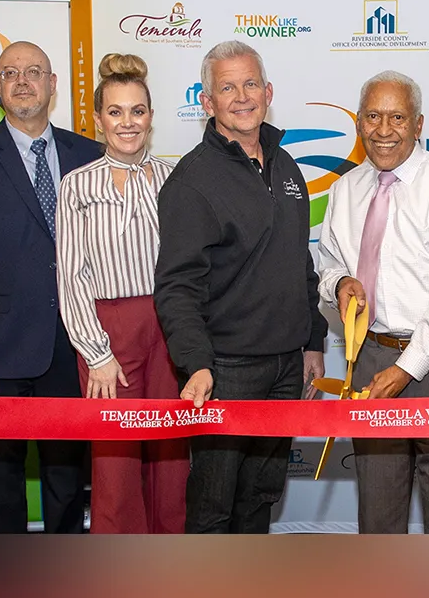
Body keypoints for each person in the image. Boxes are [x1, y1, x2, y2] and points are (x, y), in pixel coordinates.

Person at [154, 40, 327, 534]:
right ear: (207, 102)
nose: (242, 96)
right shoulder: (191, 181)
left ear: (268, 91)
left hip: (286, 368)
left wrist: (313, 340)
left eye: (251, 83)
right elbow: (176, 286)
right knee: (214, 508)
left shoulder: (286, 165)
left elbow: (300, 261)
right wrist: (197, 363)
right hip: (226, 371)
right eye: (227, 87)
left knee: (260, 499)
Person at [0, 41, 101, 533]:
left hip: (74, 345)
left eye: (34, 71)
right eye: (11, 73)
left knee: (68, 480)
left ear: (53, 85)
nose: (23, 80)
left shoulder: (90, 153)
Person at [317, 70, 429, 534]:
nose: (384, 129)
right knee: (378, 514)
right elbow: (328, 259)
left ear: (418, 124)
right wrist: (337, 283)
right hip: (372, 356)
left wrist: (407, 368)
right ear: (358, 122)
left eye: (397, 117)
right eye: (373, 116)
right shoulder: (345, 189)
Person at [56, 53, 189, 534]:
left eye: (137, 110)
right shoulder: (77, 185)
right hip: (107, 331)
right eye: (115, 111)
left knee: (172, 456)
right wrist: (96, 354)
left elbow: (194, 265)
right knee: (114, 461)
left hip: (171, 324)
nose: (127, 122)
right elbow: (71, 278)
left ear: (151, 116)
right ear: (97, 120)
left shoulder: (177, 178)